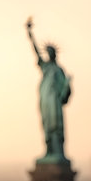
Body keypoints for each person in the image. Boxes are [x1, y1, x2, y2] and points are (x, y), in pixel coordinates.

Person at [26, 18, 71, 164]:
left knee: (55, 124)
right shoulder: (45, 66)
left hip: (54, 100)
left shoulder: (59, 70)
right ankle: (48, 151)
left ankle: (58, 152)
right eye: (48, 51)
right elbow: (36, 52)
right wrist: (30, 34)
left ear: (55, 54)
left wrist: (67, 86)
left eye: (51, 51)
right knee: (46, 124)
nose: (49, 53)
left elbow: (65, 89)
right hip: (45, 99)